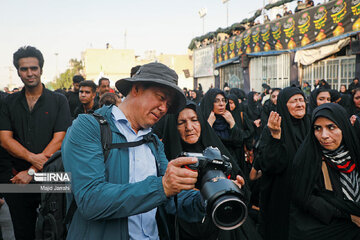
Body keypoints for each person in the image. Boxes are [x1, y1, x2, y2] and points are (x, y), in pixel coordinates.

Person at [62, 62, 210, 240]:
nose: (164, 108)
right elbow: (90, 199)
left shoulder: (153, 142)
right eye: (160, 97)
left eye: (168, 104)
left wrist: (208, 195)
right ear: (137, 88)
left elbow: (171, 199)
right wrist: (161, 186)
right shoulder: (88, 127)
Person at [0, 46, 71, 239]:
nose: (30, 73)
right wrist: (34, 160)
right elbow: (5, 139)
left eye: (34, 68)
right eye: (24, 69)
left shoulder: (59, 101)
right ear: (18, 71)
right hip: (17, 180)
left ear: (41, 69)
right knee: (23, 232)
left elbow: (60, 139)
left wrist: (31, 171)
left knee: (54, 231)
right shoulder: (8, 102)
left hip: (51, 178)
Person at [160, 100, 258, 240]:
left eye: (194, 120)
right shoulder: (165, 160)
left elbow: (245, 192)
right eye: (181, 122)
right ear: (173, 127)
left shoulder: (217, 152)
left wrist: (234, 188)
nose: (189, 127)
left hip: (225, 228)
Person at [290, 103, 360, 239]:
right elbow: (305, 197)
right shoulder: (308, 159)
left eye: (331, 127)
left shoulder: (355, 152)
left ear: (344, 127)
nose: (324, 135)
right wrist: (348, 216)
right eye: (317, 128)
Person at [257, 87, 310, 240]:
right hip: (281, 196)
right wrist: (275, 136)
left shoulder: (311, 125)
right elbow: (269, 165)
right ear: (283, 105)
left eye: (301, 100)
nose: (300, 104)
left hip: (308, 195)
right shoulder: (273, 128)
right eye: (294, 101)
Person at [199, 89, 252, 174]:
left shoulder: (229, 118)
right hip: (211, 170)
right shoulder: (203, 120)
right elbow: (203, 145)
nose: (221, 104)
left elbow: (238, 142)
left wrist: (232, 123)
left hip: (232, 167)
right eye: (216, 101)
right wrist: (209, 125)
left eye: (224, 100)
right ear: (209, 103)